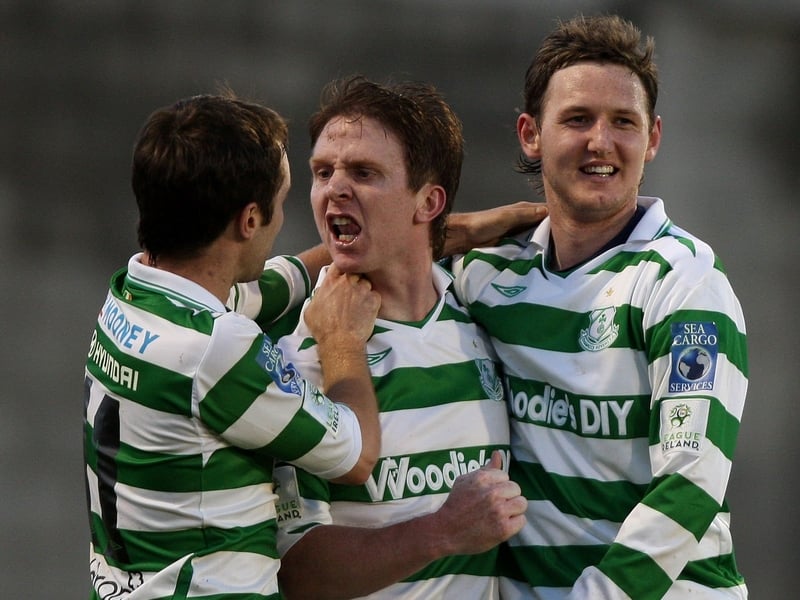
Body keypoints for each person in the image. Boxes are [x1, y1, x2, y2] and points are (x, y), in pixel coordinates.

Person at [453, 14, 748, 599]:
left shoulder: (685, 282)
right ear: (530, 134)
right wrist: (464, 229)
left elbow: (691, 481)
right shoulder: (486, 275)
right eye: (578, 119)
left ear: (653, 138)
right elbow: (366, 259)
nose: (601, 142)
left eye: (623, 122)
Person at [83, 92, 383, 599]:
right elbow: (356, 455)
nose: (285, 220)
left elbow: (257, 289)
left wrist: (361, 252)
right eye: (281, 203)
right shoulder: (215, 349)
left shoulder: (131, 294)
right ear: (249, 221)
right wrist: (342, 340)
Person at [265, 76, 530, 599]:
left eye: (364, 172)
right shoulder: (301, 358)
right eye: (322, 172)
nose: (334, 188)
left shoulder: (486, 318)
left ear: (429, 202)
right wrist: (443, 532)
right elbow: (300, 572)